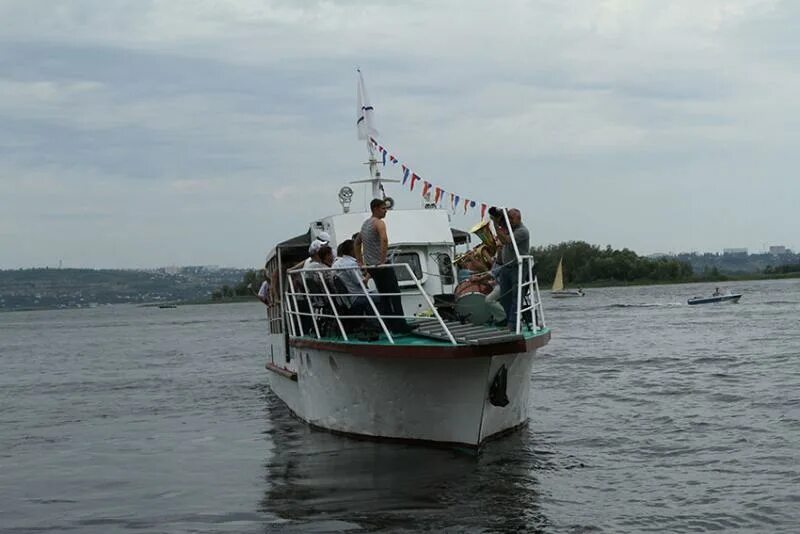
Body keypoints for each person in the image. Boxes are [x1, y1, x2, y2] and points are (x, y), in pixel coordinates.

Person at [355, 198, 413, 334]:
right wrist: (382, 261)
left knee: (384, 295)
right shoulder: (379, 223)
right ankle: (401, 326)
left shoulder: (365, 225)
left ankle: (389, 325)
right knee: (394, 294)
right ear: (375, 209)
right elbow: (384, 239)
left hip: (371, 267)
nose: (386, 211)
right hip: (381, 265)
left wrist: (360, 262)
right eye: (383, 208)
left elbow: (357, 243)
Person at [496, 208, 529, 331]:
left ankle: (513, 324)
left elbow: (506, 240)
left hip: (518, 267)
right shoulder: (509, 230)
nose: (509, 221)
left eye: (511, 218)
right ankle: (510, 322)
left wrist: (495, 224)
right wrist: (500, 221)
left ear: (518, 218)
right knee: (504, 297)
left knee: (516, 297)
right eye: (507, 218)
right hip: (506, 268)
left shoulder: (522, 231)